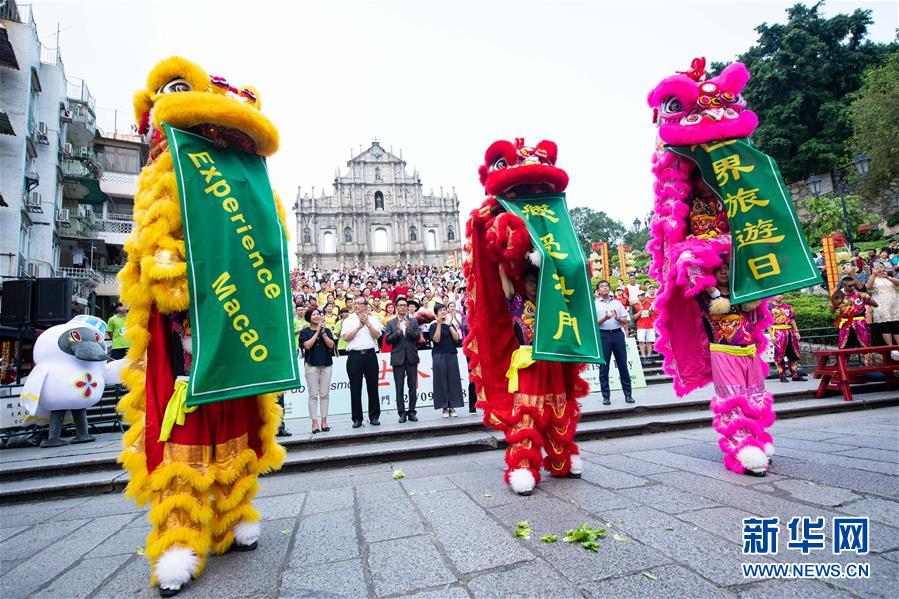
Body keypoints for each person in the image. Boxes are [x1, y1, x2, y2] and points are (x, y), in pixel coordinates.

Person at [342, 296, 383, 427]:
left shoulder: (373, 319)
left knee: (373, 387)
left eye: (359, 303)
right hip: (354, 356)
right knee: (355, 388)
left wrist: (368, 324)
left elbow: (377, 336)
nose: (356, 305)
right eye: (355, 303)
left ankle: (374, 416)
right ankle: (357, 418)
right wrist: (359, 327)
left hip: (370, 355)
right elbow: (346, 338)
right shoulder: (348, 320)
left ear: (365, 306)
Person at [595, 280, 633, 405]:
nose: (605, 288)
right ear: (598, 291)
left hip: (617, 335)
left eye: (606, 286)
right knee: (604, 368)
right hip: (603, 336)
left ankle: (628, 395)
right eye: (602, 286)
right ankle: (606, 396)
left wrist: (616, 317)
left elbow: (625, 320)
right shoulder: (595, 305)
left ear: (609, 289)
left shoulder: (617, 303)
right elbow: (593, 324)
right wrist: (605, 318)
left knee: (623, 365)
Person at [384, 297, 421, 423]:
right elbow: (388, 340)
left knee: (412, 386)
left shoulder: (413, 321)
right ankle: (401, 413)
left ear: (407, 307)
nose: (402, 307)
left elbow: (417, 338)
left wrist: (409, 330)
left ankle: (412, 412)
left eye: (405, 305)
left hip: (411, 357)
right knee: (399, 387)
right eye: (400, 305)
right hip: (398, 358)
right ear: (396, 307)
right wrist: (398, 332)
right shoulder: (391, 323)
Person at [300, 308, 335, 434]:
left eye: (318, 314)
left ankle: (324, 421)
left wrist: (323, 333)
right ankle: (314, 422)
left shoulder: (327, 330)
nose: (316, 316)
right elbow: (307, 346)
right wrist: (317, 332)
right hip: (311, 366)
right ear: (309, 318)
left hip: (326, 365)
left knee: (325, 394)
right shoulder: (304, 332)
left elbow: (331, 345)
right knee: (313, 395)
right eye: (313, 314)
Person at [431, 303, 464, 417]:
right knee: (441, 381)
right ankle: (444, 407)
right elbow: (436, 340)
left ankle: (452, 406)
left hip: (451, 354)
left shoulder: (450, 324)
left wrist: (449, 324)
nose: (443, 311)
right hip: (439, 355)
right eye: (440, 310)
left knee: (453, 380)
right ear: (436, 313)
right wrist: (439, 324)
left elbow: (457, 338)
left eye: (444, 310)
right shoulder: (433, 325)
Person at [832, 275, 877, 350]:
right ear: (843, 285)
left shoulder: (860, 294)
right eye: (850, 285)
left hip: (860, 323)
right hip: (845, 323)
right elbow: (832, 311)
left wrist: (868, 298)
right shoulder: (839, 296)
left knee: (865, 345)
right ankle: (844, 358)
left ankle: (867, 358)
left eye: (854, 284)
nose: (852, 286)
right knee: (844, 347)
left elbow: (875, 305)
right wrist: (834, 303)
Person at [767, 295, 805, 382]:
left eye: (781, 294)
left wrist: (796, 332)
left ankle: (795, 375)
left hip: (790, 332)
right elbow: (768, 322)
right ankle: (782, 376)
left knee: (793, 354)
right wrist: (772, 336)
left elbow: (792, 320)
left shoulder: (788, 307)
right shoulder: (769, 308)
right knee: (779, 355)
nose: (779, 296)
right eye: (777, 294)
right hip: (778, 333)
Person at [865, 262, 899, 353]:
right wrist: (873, 274)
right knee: (886, 326)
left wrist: (887, 277)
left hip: (894, 305)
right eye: (877, 267)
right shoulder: (873, 279)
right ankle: (891, 348)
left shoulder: (889, 278)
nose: (880, 269)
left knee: (896, 326)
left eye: (882, 267)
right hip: (882, 306)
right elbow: (868, 287)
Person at [634, 291, 656, 359]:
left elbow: (652, 315)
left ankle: (649, 356)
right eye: (641, 295)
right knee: (641, 341)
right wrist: (640, 311)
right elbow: (634, 317)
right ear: (638, 296)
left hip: (649, 325)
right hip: (640, 326)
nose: (642, 296)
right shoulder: (635, 305)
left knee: (649, 341)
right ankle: (643, 356)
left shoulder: (649, 304)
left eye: (643, 295)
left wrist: (650, 311)